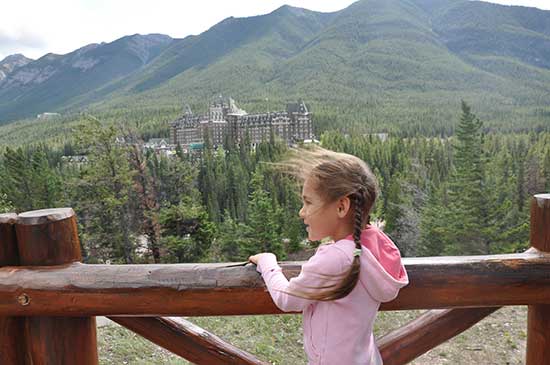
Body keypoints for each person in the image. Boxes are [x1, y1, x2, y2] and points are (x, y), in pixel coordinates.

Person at [249, 147, 409, 365]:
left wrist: (267, 262)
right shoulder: (374, 247)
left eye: (308, 202)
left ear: (342, 206)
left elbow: (286, 299)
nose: (301, 212)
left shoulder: (335, 258)